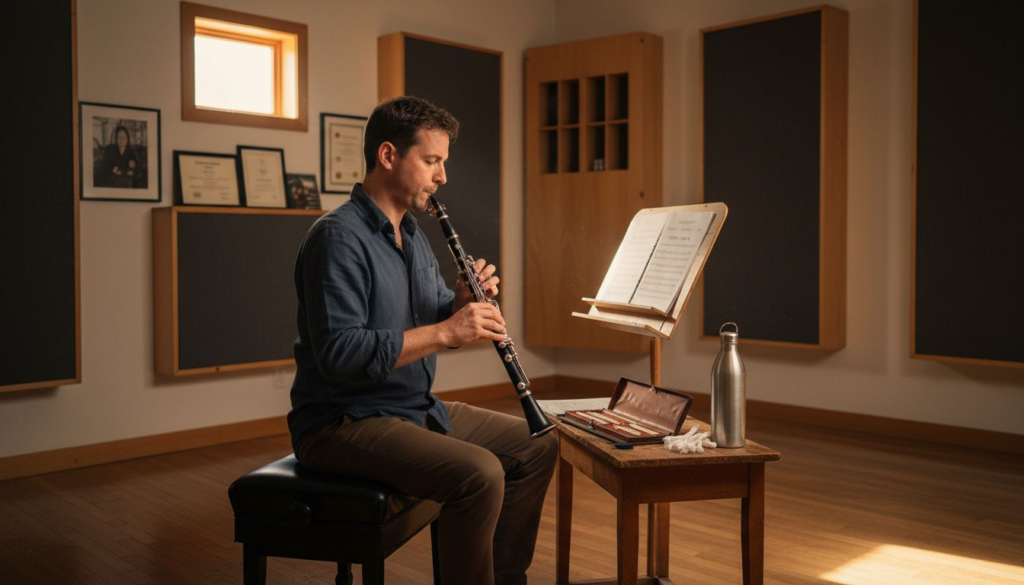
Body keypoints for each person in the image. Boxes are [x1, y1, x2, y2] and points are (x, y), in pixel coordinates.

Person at [288, 96, 558, 585]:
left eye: (443, 163)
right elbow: (340, 355)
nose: (442, 177)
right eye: (432, 161)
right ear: (389, 156)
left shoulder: (411, 233)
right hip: (343, 421)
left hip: (411, 408)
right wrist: (445, 330)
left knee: (537, 446)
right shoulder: (338, 238)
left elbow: (434, 321)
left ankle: (501, 577)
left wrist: (460, 305)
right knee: (480, 473)